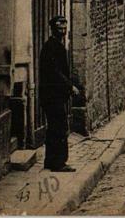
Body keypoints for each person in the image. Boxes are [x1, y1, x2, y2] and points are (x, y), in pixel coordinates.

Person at [39, 15, 79, 172]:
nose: (62, 31)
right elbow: (55, 72)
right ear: (53, 29)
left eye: (64, 28)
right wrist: (70, 87)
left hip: (53, 95)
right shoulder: (52, 47)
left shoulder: (56, 45)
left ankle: (50, 161)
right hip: (52, 95)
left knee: (53, 128)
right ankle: (59, 163)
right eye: (59, 28)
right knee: (60, 128)